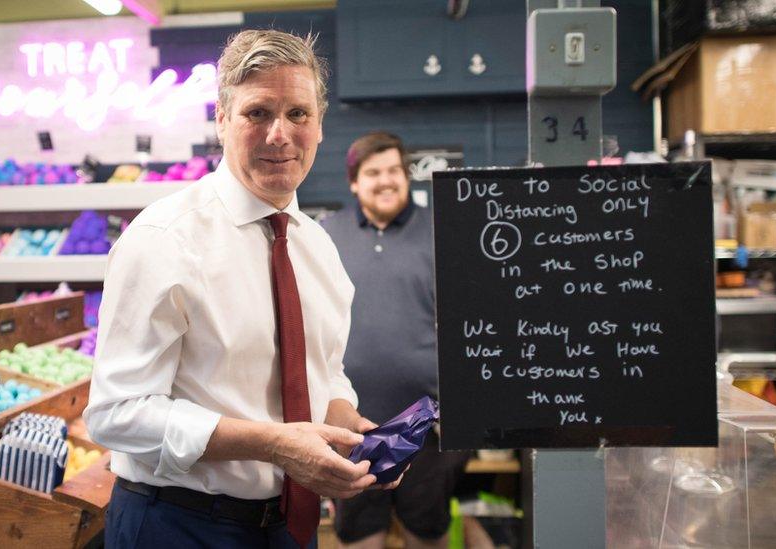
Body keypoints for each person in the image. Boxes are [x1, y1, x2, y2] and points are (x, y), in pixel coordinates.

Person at [84, 30, 396, 549]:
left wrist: (346, 423)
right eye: (257, 113)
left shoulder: (317, 246)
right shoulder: (162, 240)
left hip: (289, 529)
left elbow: (325, 370)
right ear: (222, 121)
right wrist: (275, 445)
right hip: (178, 526)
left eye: (298, 113)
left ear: (319, 127)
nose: (280, 134)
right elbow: (116, 414)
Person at [321, 132, 490, 549]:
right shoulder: (324, 236)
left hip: (431, 425)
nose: (385, 180)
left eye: (394, 170)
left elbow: (473, 319)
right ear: (354, 182)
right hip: (351, 423)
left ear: (407, 176)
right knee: (360, 535)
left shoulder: (443, 230)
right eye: (373, 172)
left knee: (426, 533)